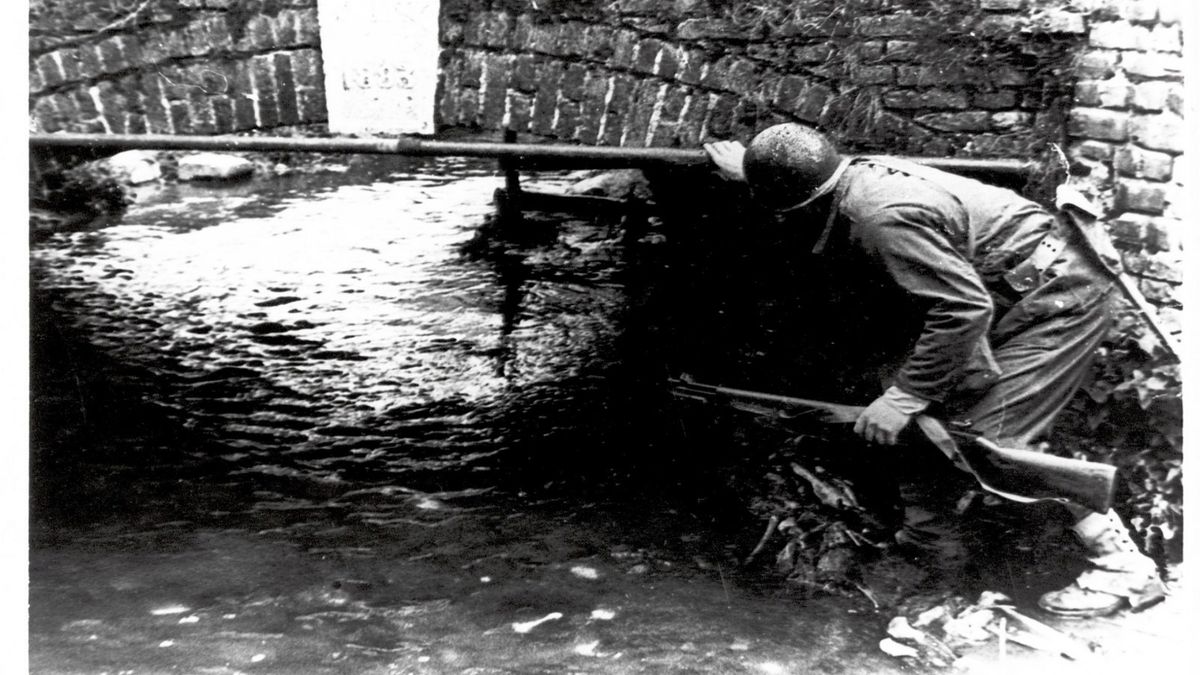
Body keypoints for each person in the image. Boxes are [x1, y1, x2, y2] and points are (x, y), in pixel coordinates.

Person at [703, 123, 1166, 617]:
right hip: (1014, 290)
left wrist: (902, 398)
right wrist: (753, 171)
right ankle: (926, 547)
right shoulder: (850, 176)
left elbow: (963, 310)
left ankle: (1122, 567)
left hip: (1058, 299)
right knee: (931, 415)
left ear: (796, 199)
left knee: (982, 441)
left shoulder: (879, 218)